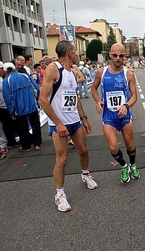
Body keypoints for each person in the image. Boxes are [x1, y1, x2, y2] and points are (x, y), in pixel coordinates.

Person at [39, 40, 98, 212]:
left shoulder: (71, 71)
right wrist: (58, 123)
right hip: (58, 124)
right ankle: (60, 195)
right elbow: (42, 99)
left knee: (83, 150)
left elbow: (75, 97)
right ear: (68, 52)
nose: (76, 53)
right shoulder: (53, 69)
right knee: (62, 159)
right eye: (74, 50)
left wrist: (84, 118)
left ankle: (85, 174)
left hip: (74, 121)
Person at [91, 43, 140, 184]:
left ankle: (133, 164)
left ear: (125, 56)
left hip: (124, 115)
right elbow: (93, 89)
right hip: (108, 116)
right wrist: (97, 101)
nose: (118, 58)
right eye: (115, 55)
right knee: (113, 147)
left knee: (130, 145)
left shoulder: (128, 74)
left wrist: (126, 105)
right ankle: (124, 166)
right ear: (110, 55)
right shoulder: (101, 72)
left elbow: (134, 96)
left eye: (121, 55)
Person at [2, 59, 42, 152]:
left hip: (19, 108)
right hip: (31, 105)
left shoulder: (6, 81)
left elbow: (8, 98)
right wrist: (37, 101)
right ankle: (37, 144)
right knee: (35, 124)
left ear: (5, 71)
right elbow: (36, 89)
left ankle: (26, 146)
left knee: (22, 127)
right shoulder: (25, 76)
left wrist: (11, 112)